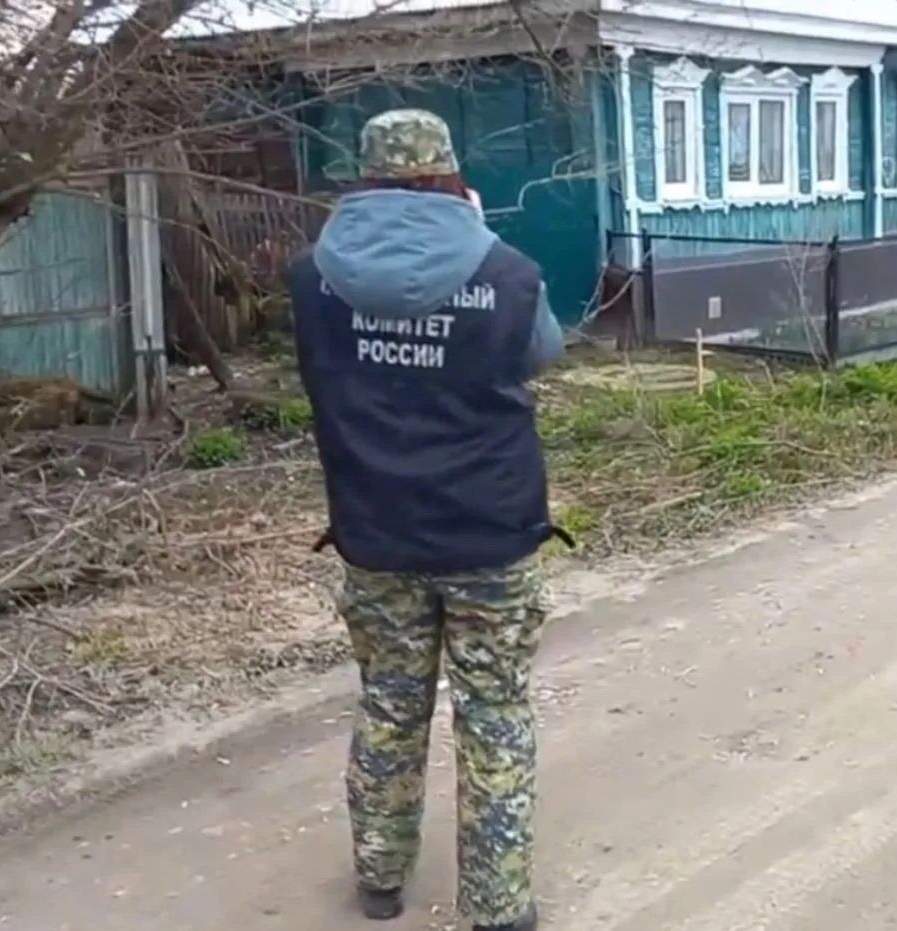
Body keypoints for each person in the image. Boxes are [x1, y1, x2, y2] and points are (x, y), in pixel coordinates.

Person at [287, 108, 565, 931]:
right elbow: (542, 351)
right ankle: (499, 904)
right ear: (449, 173)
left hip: (374, 528)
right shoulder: (507, 271)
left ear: (364, 175)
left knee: (388, 702)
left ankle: (380, 879)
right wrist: (475, 240)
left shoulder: (311, 276)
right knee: (495, 710)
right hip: (490, 532)